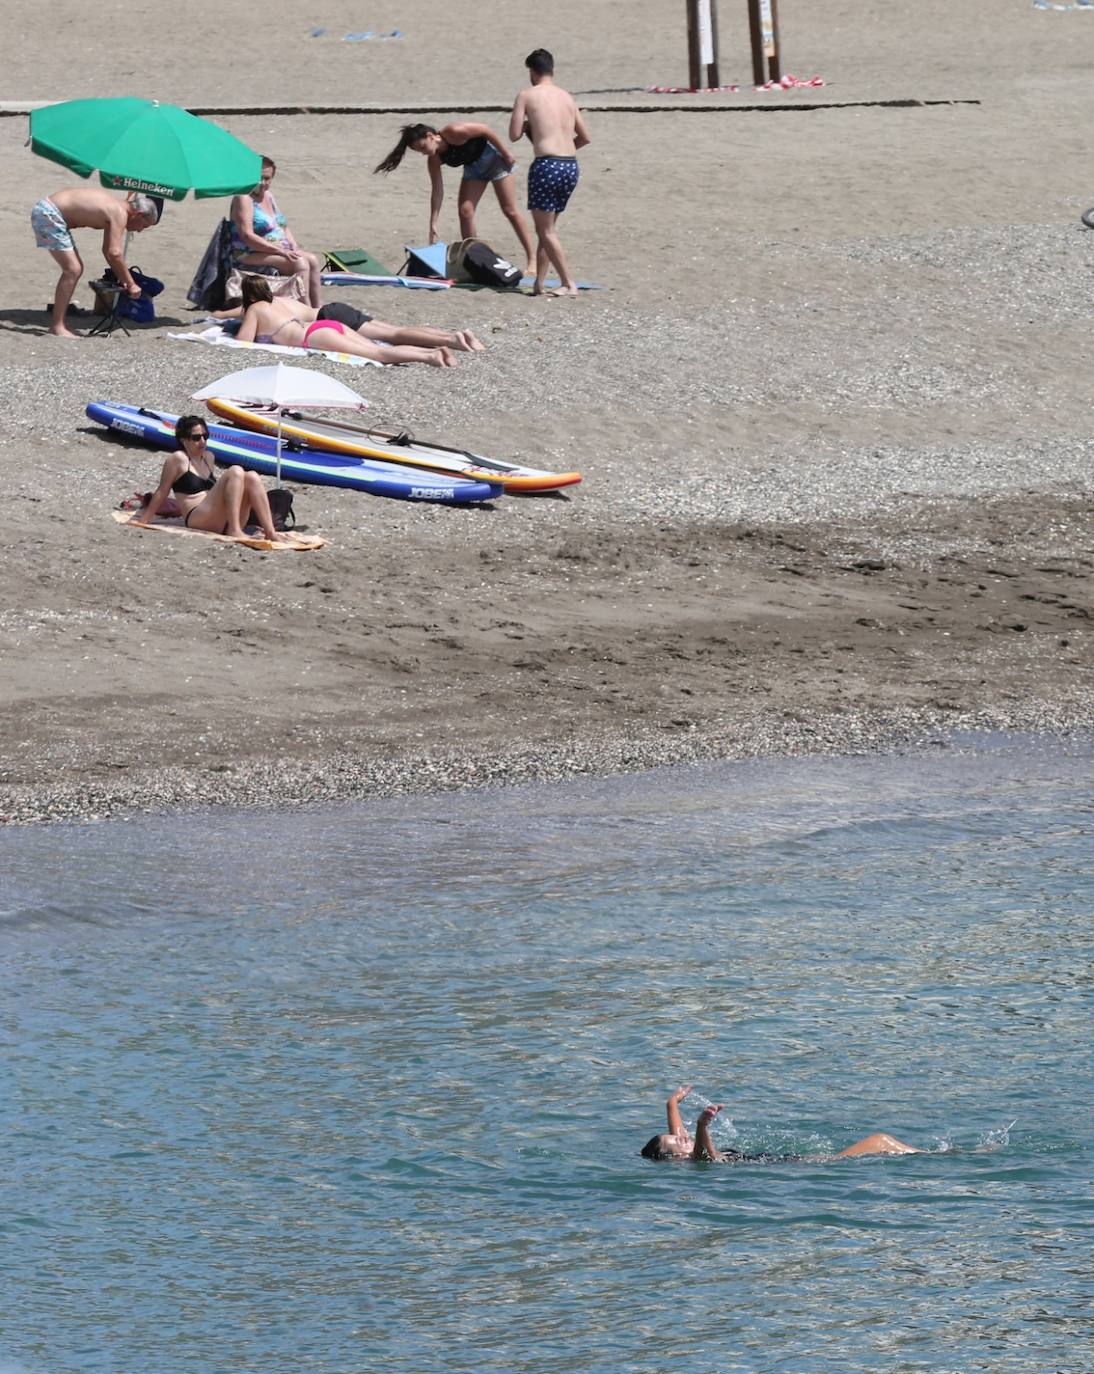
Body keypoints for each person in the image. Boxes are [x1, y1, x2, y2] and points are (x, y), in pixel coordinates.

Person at [373, 121, 535, 276]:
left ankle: (532, 260)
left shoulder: (454, 131)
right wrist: (433, 223)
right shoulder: (435, 159)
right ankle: (477, 260)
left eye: (423, 147)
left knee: (510, 210)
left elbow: (485, 130)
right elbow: (437, 191)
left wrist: (506, 153)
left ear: (431, 136)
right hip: (474, 171)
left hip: (496, 161)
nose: (423, 153)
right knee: (465, 212)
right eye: (419, 151)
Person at [229, 275, 475, 367]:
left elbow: (242, 343)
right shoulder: (278, 302)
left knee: (379, 352)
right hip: (327, 324)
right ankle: (438, 347)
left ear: (248, 294)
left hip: (315, 335)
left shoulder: (255, 309)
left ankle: (430, 355)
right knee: (385, 342)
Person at [641, 1085, 924, 1162]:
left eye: (677, 1135)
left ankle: (927, 1157)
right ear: (676, 1158)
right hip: (798, 1164)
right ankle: (933, 1158)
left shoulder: (682, 1152)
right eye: (677, 1142)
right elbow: (706, 1155)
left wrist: (672, 1103)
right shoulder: (697, 1160)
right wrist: (703, 1125)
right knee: (880, 1141)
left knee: (882, 1144)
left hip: (784, 1160)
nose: (680, 1136)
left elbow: (678, 1136)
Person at [509, 48, 591, 298]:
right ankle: (540, 284)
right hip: (570, 165)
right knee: (548, 228)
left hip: (546, 165)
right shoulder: (567, 97)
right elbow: (585, 137)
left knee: (545, 230)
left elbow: (513, 135)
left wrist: (526, 126)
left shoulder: (527, 95)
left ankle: (568, 283)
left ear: (533, 72)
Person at [134, 414, 291, 543]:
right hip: (198, 518)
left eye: (205, 436)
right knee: (236, 471)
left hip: (219, 518)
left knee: (252, 476)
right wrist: (144, 520)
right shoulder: (178, 459)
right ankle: (235, 530)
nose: (202, 441)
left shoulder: (209, 457)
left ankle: (270, 532)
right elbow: (162, 491)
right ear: (183, 440)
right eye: (196, 438)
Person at [31, 187, 161, 338]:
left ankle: (58, 324)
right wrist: (131, 284)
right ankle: (57, 327)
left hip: (49, 211)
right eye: (144, 226)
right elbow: (114, 253)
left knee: (74, 269)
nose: (140, 231)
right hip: (50, 214)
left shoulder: (117, 208)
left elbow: (108, 251)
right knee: (73, 270)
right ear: (138, 214)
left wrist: (123, 278)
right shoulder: (119, 213)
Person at [229, 156, 324, 307]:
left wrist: (293, 246)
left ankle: (318, 308)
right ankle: (304, 308)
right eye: (259, 178)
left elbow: (283, 226)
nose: (263, 182)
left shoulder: (268, 195)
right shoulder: (243, 198)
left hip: (274, 249)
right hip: (248, 253)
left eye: (267, 179)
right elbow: (247, 235)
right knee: (300, 263)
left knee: (312, 259)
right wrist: (281, 251)